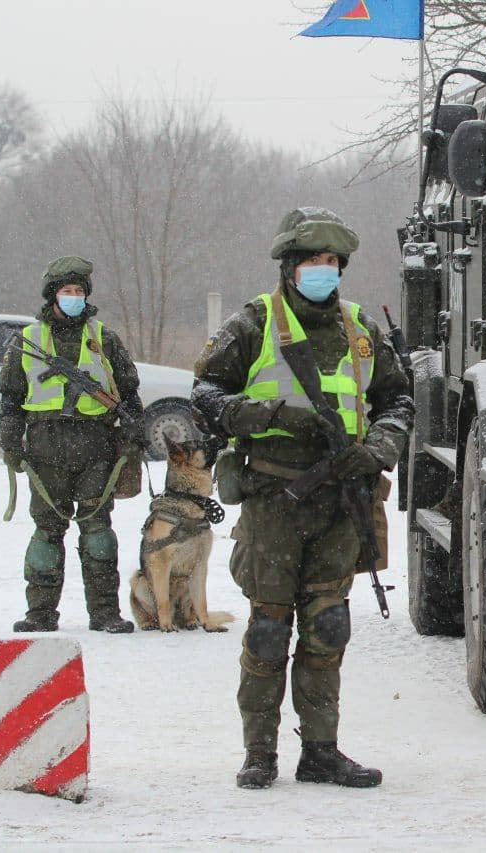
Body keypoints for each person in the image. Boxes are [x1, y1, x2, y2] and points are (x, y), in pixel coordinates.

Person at [191, 207, 414, 790]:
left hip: (342, 499)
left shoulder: (359, 327)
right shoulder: (253, 323)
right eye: (313, 262)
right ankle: (259, 753)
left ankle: (320, 750)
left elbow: (397, 401)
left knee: (328, 627)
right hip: (273, 500)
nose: (324, 271)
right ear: (290, 268)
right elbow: (206, 392)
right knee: (268, 629)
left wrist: (380, 449)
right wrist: (269, 416)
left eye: (332, 263)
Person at [0, 255, 143, 634]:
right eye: (67, 291)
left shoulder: (104, 338)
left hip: (96, 447)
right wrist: (11, 443)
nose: (74, 297)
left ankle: (105, 614)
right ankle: (40, 614)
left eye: (79, 291)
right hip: (45, 449)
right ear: (53, 296)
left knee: (98, 535)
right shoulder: (28, 341)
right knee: (47, 533)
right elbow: (10, 400)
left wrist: (131, 438)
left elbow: (129, 393)